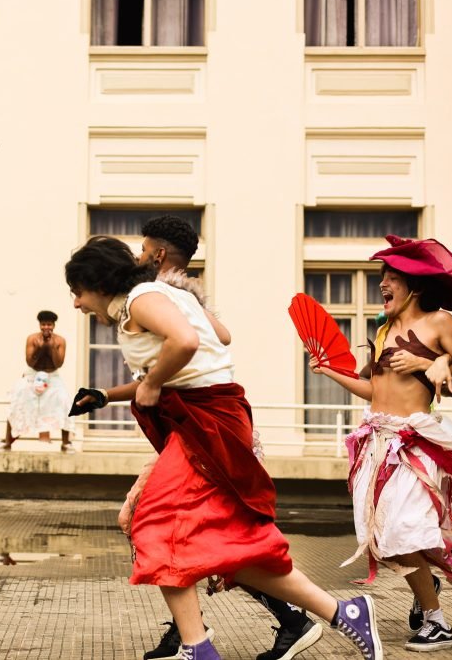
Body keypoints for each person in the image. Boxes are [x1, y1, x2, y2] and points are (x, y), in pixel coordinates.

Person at [66, 236, 383, 660]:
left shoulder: (142, 298)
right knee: (232, 545)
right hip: (206, 420)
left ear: (97, 283)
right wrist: (110, 394)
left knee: (152, 523)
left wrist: (155, 382)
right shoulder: (155, 297)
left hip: (210, 423)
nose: (75, 304)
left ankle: (198, 647)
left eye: (77, 292)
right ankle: (344, 613)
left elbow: (186, 342)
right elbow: (215, 338)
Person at [307, 234, 452, 653]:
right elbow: (374, 391)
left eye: (390, 277)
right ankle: (428, 589)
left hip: (415, 446)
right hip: (375, 443)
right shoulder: (383, 330)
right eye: (381, 277)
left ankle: (437, 621)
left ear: (414, 285)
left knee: (400, 536)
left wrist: (426, 362)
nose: (382, 284)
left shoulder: (440, 322)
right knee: (380, 538)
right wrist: (329, 372)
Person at [131, 215, 321, 660]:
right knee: (197, 529)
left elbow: (201, 342)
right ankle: (195, 631)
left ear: (157, 255)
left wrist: (153, 380)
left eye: (142, 250)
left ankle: (277, 621)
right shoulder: (184, 295)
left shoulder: (155, 295)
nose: (137, 258)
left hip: (208, 427)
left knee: (198, 529)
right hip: (215, 423)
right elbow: (225, 334)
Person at [0, 310, 75, 452]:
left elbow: (59, 363)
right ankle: (7, 440)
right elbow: (30, 362)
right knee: (16, 401)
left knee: (64, 401)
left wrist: (51, 346)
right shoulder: (32, 339)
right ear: (40, 325)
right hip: (33, 374)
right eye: (43, 324)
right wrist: (40, 348)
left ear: (53, 325)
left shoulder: (60, 341)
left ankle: (66, 442)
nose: (46, 327)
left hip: (52, 374)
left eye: (49, 324)